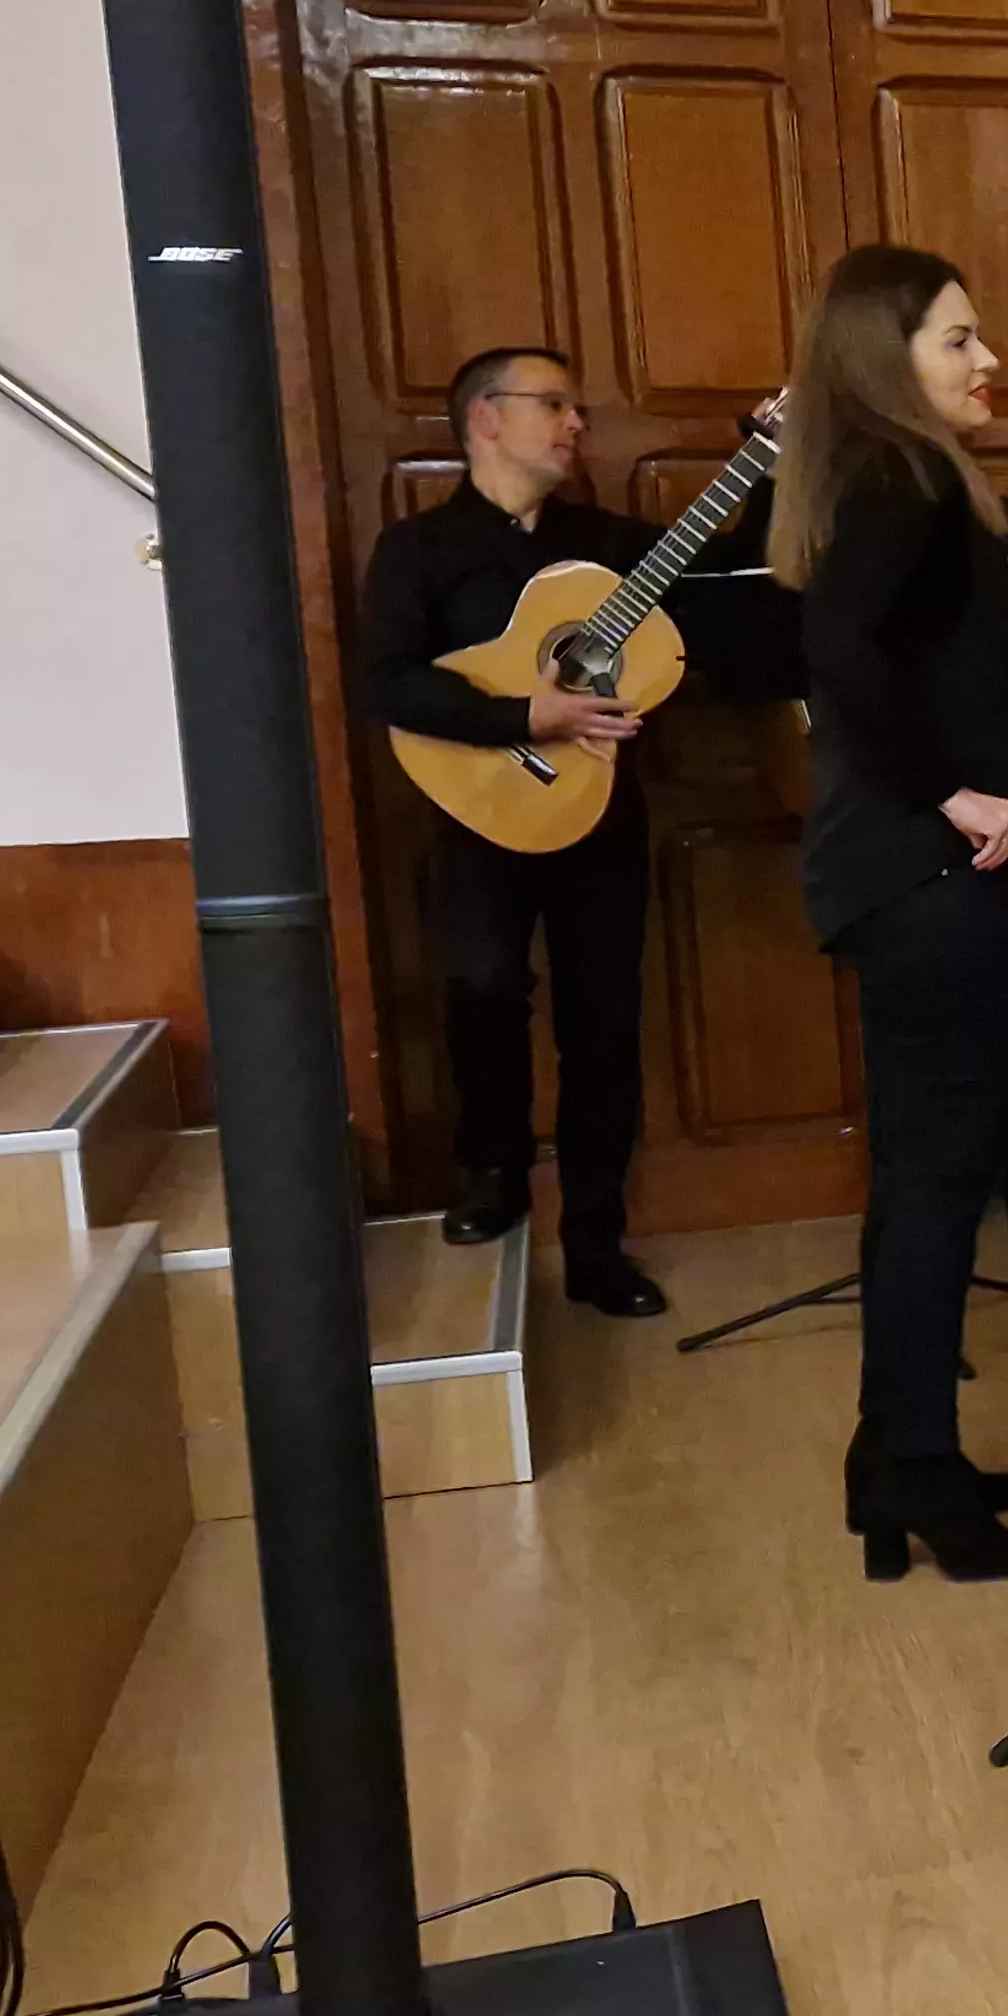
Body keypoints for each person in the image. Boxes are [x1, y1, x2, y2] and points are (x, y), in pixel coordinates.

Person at [768, 243, 1008, 1585]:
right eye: (958, 338)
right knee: (944, 1183)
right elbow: (841, 656)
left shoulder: (884, 477)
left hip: (890, 883)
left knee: (921, 1182)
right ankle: (918, 1473)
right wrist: (953, 794)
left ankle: (895, 1457)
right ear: (890, 360)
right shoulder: (902, 479)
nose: (986, 357)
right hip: (927, 881)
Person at [359, 345, 675, 1317]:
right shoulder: (417, 550)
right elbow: (389, 680)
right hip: (473, 811)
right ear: (485, 419)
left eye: (576, 407)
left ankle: (596, 1240)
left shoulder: (613, 543)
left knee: (605, 1027)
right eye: (555, 405)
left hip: (600, 815)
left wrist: (771, 464)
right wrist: (521, 719)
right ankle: (491, 1171)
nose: (576, 424)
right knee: (482, 989)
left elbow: (728, 594)